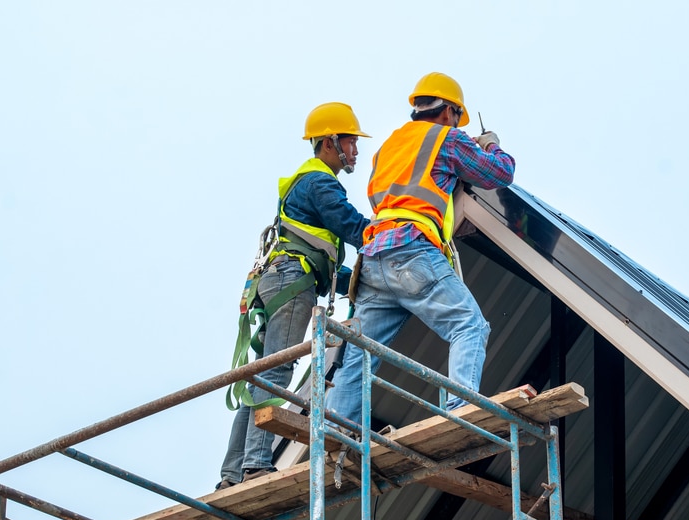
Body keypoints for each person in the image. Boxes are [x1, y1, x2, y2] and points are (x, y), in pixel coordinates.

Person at [325, 72, 515, 428]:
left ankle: (335, 429)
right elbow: (499, 174)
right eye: (457, 117)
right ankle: (459, 410)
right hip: (411, 250)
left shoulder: (388, 148)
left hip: (373, 258)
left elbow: (413, 180)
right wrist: (489, 144)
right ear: (448, 112)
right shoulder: (448, 138)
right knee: (468, 326)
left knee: (359, 354)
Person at [217, 102, 371, 490]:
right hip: (291, 281)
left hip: (282, 279)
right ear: (330, 142)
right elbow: (352, 227)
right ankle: (254, 464)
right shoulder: (321, 182)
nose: (355, 151)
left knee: (260, 378)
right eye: (351, 142)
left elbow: (325, 257)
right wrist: (394, 235)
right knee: (274, 374)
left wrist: (356, 278)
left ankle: (231, 474)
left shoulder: (309, 182)